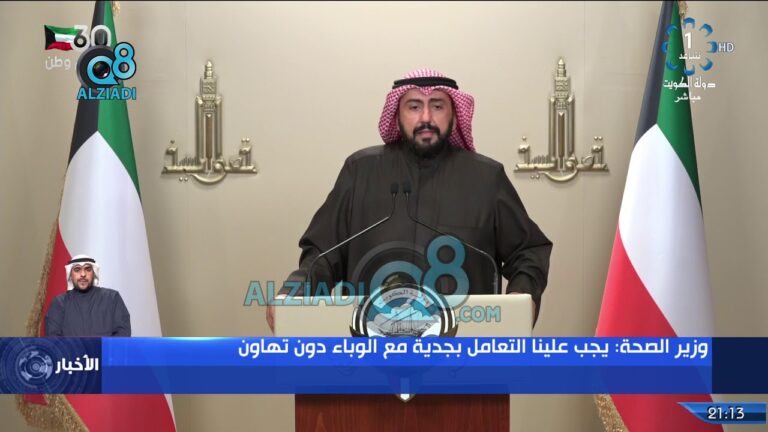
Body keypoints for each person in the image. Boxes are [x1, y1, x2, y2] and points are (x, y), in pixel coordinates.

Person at [267, 68, 552, 332]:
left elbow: (527, 251)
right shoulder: (360, 171)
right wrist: (295, 290)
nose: (426, 117)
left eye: (437, 106)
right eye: (414, 106)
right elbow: (322, 253)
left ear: (453, 114)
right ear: (397, 115)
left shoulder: (486, 178)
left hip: (464, 346)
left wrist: (521, 296)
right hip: (370, 344)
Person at [44, 255, 131, 336]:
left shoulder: (112, 298)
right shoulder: (59, 303)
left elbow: (123, 335)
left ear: (94, 273)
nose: (83, 274)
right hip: (69, 349)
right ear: (70, 274)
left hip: (105, 349)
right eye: (77, 269)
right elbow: (53, 339)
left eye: (88, 269)